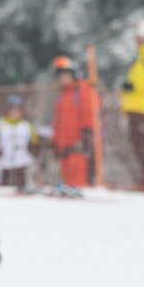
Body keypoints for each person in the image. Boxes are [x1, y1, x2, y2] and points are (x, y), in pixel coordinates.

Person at [51, 56, 96, 197]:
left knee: (77, 167)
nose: (62, 79)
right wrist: (55, 141)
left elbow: (89, 110)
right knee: (65, 169)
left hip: (78, 139)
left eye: (65, 76)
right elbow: (57, 120)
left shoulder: (82, 89)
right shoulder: (63, 95)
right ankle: (68, 191)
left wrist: (87, 130)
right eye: (60, 77)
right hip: (63, 141)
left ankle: (78, 190)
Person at [0, 94, 38, 193]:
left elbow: (34, 142)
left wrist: (32, 149)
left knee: (21, 188)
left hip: (22, 163)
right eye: (12, 108)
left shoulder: (26, 126)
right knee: (4, 189)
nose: (15, 112)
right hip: (3, 164)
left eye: (18, 109)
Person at [121, 19, 144, 191]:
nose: (136, 39)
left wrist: (134, 87)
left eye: (139, 36)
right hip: (135, 108)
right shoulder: (140, 56)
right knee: (138, 144)